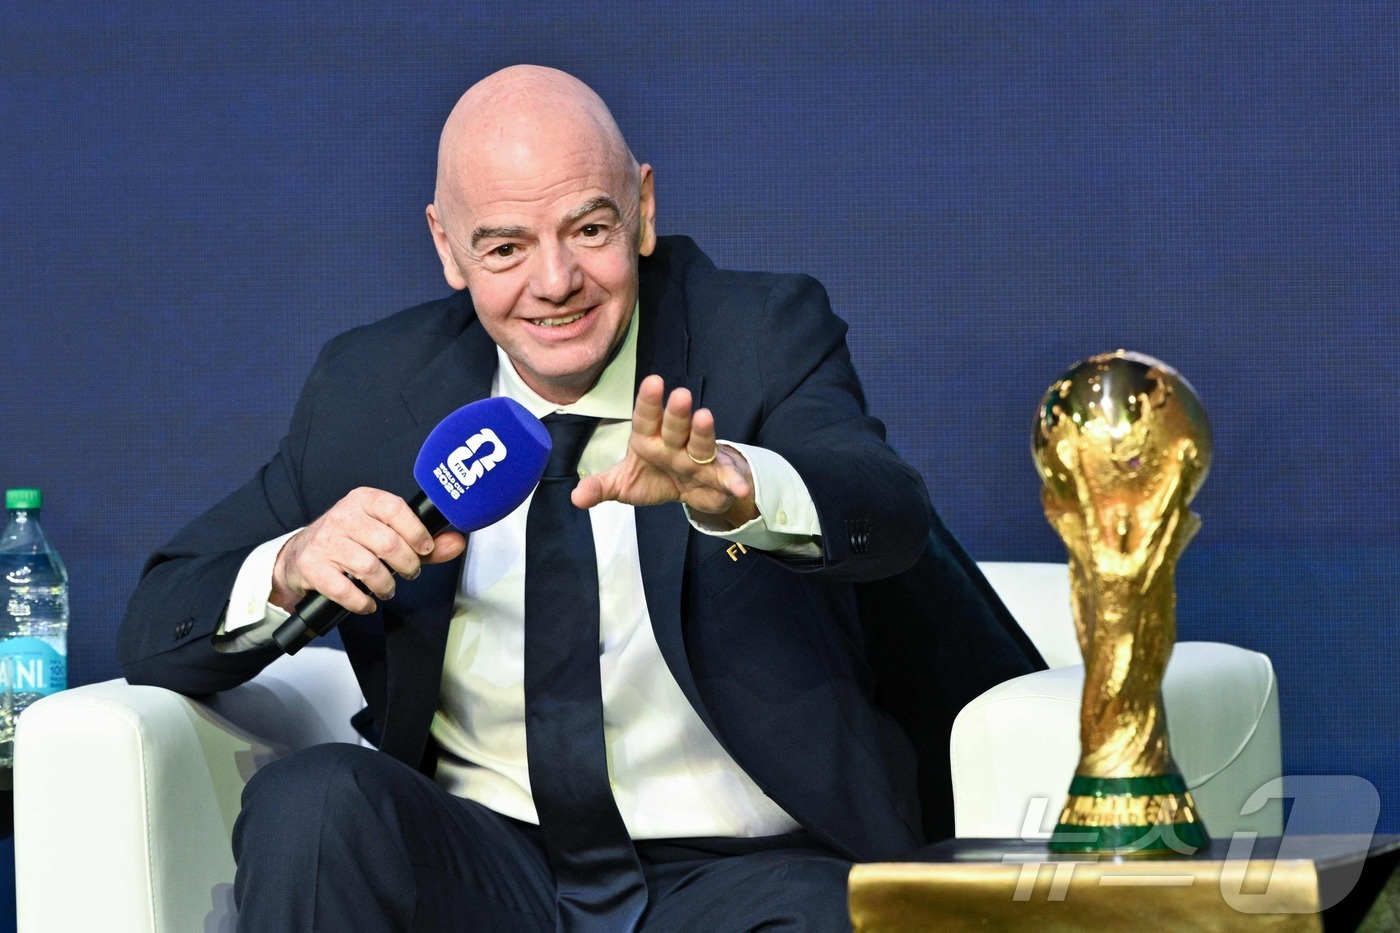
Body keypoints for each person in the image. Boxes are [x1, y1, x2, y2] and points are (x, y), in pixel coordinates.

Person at [119, 65, 1042, 932]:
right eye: (505, 247)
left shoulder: (760, 334)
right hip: (490, 863)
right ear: (447, 247)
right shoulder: (370, 386)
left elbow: (885, 508)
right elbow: (161, 617)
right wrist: (289, 566)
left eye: (590, 230)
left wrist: (740, 488)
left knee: (827, 915)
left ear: (643, 209)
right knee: (313, 802)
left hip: (741, 870)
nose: (555, 282)